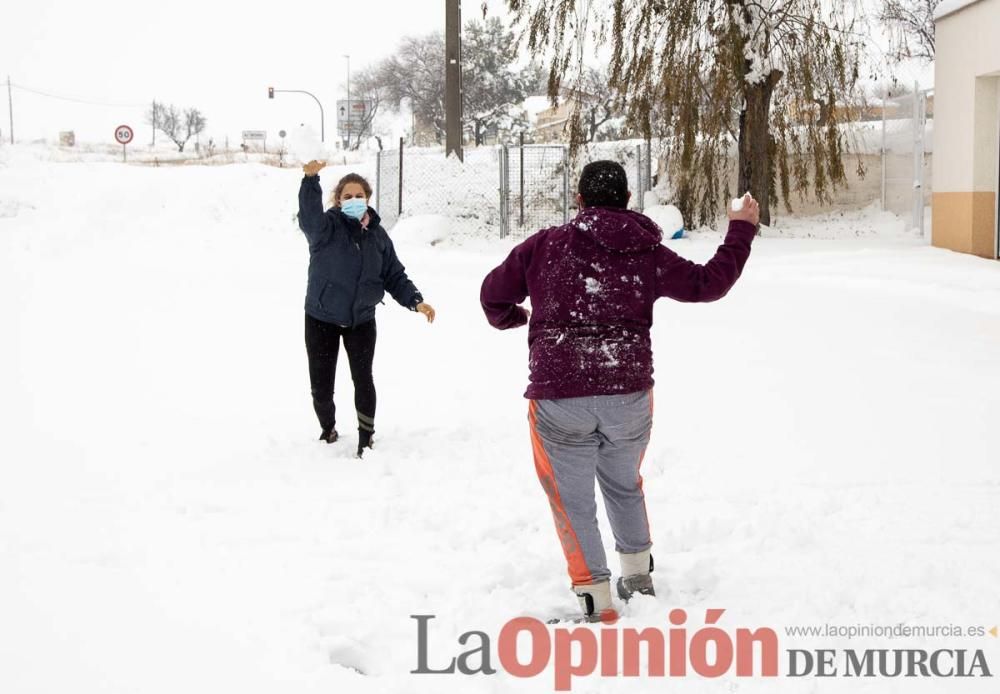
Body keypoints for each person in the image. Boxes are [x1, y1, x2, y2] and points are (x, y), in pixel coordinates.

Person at [480, 161, 759, 621]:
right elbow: (708, 284)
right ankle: (637, 576)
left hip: (559, 394)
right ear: (627, 200)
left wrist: (514, 319)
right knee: (624, 484)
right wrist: (740, 230)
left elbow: (493, 294)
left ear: (580, 200)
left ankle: (596, 598)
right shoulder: (646, 251)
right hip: (628, 394)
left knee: (571, 500)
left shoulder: (545, 246)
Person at [298, 160, 436, 458]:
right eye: (346, 196)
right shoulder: (325, 229)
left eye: (358, 196)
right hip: (321, 317)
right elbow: (308, 218)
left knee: (363, 379)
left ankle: (366, 437)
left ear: (368, 199)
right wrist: (310, 179)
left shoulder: (378, 235)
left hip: (361, 319)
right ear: (338, 200)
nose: (353, 201)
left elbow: (393, 275)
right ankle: (328, 428)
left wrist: (415, 300)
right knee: (321, 386)